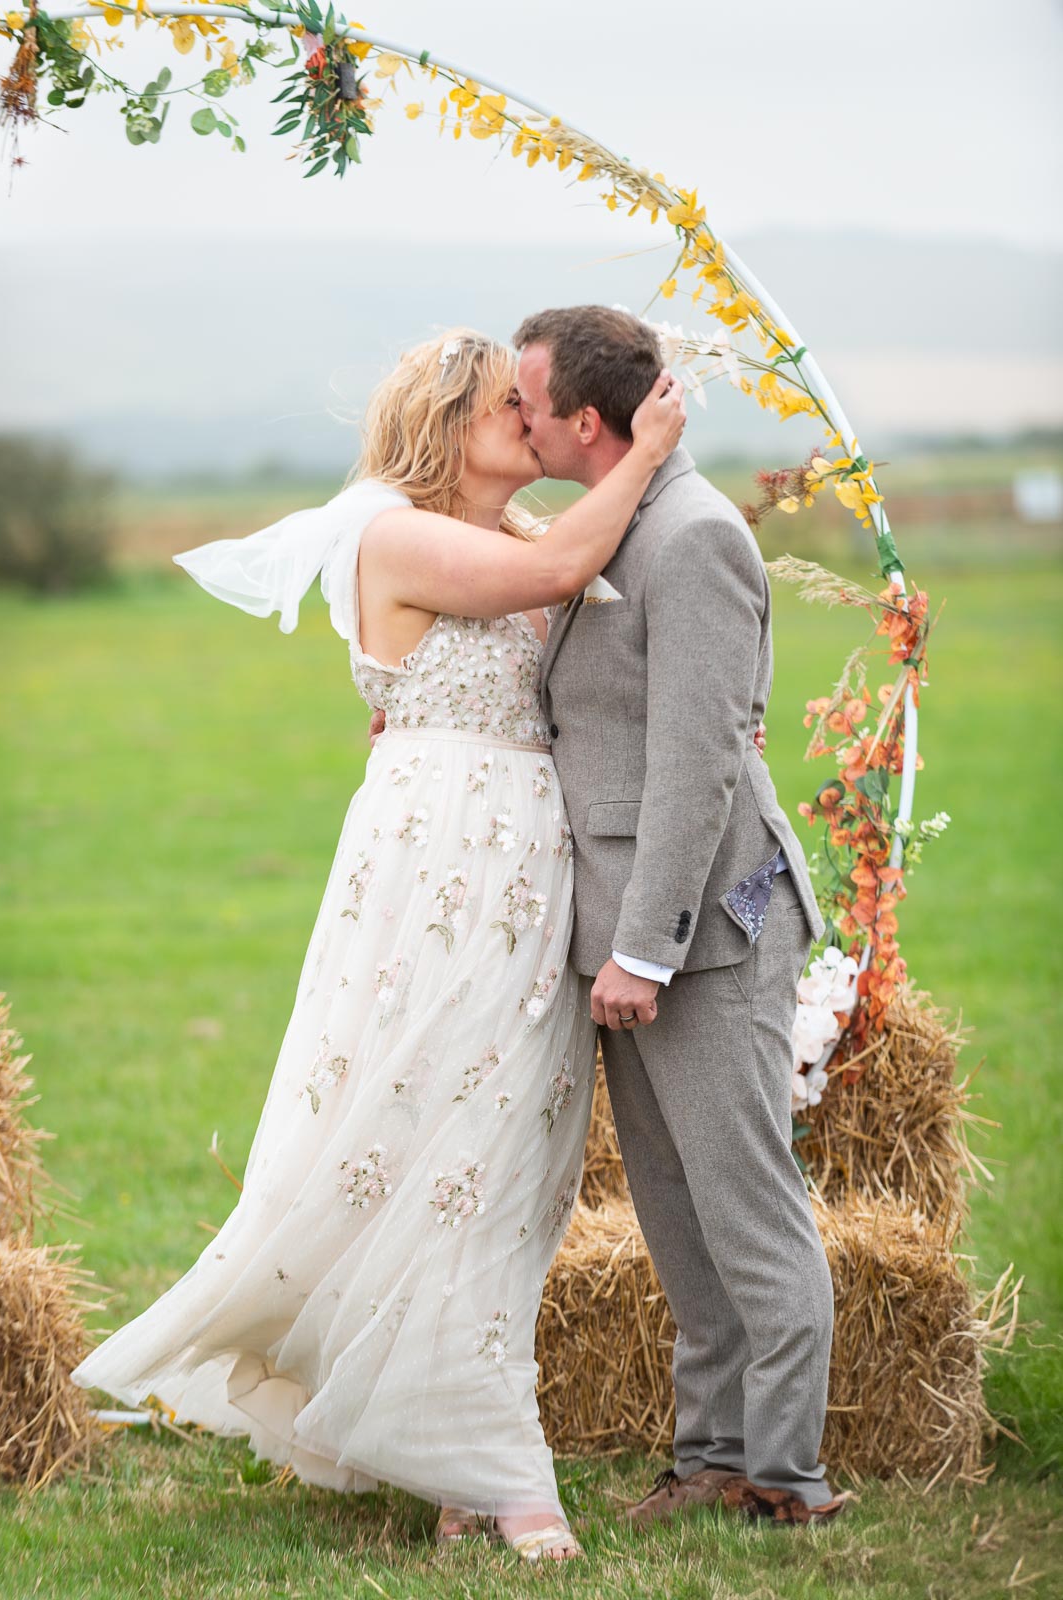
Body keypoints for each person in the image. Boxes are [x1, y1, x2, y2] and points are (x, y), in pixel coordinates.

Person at [69, 328, 687, 1565]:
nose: (532, 415)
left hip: (524, 860)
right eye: (505, 404)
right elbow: (572, 560)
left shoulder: (492, 541)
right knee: (440, 1137)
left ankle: (449, 1452)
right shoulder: (398, 532)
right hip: (444, 868)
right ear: (446, 424)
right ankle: (507, 1480)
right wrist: (652, 450)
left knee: (510, 1157)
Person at [509, 304, 849, 1527]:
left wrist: (646, 948)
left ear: (586, 423)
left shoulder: (694, 537)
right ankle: (710, 1455)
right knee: (674, 1217)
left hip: (706, 936)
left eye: (529, 406)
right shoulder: (617, 522)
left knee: (748, 1211)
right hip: (632, 941)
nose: (517, 421)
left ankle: (788, 1478)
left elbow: (697, 763)